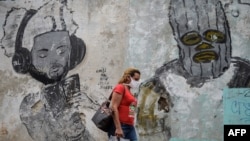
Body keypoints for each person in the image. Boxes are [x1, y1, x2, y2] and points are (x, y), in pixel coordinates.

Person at [108, 68, 141, 141]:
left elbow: (130, 108)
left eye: (138, 80)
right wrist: (118, 128)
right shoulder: (120, 87)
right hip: (121, 125)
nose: (137, 82)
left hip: (130, 126)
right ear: (128, 77)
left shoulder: (129, 91)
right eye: (135, 79)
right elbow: (113, 107)